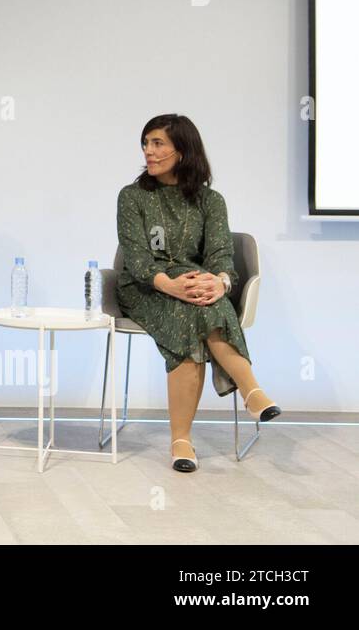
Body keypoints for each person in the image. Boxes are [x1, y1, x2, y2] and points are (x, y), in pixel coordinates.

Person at [116, 114, 281, 473]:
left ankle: (181, 441)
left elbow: (221, 254)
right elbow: (137, 257)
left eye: (157, 143)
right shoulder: (132, 197)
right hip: (145, 287)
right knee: (193, 310)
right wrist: (169, 284)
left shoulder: (211, 201)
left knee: (201, 304)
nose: (149, 151)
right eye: (146, 143)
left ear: (183, 150)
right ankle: (251, 390)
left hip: (193, 287)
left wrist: (220, 281)